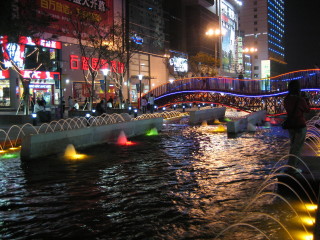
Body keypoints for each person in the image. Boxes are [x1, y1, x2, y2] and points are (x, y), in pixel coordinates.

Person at [283, 80, 310, 174]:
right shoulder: (301, 100)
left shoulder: (286, 99)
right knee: (297, 147)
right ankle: (293, 168)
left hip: (291, 126)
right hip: (300, 125)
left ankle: (291, 165)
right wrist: (306, 99)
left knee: (293, 146)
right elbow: (307, 110)